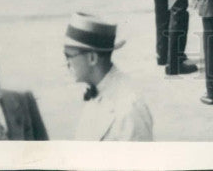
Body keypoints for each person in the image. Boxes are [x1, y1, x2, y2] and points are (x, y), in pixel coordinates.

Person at [65, 13, 153, 141]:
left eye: (69, 56)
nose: (67, 63)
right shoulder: (99, 89)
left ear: (92, 58)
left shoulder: (129, 110)